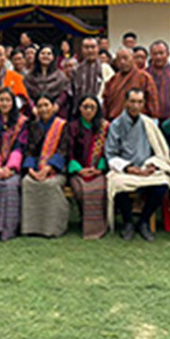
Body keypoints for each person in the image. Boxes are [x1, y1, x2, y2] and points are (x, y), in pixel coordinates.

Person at [104, 88, 170, 242]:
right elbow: (111, 153)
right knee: (117, 186)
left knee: (163, 184)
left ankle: (144, 221)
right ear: (126, 102)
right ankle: (127, 222)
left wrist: (153, 165)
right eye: (132, 101)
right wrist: (128, 168)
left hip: (146, 169)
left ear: (144, 104)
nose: (135, 106)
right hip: (125, 170)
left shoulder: (149, 123)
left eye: (139, 102)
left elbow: (159, 150)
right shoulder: (116, 124)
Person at [20, 93, 72, 237]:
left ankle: (52, 228)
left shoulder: (62, 125)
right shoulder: (33, 126)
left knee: (50, 184)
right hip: (37, 167)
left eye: (46, 105)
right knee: (27, 182)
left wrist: (49, 168)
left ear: (53, 107)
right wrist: (31, 169)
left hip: (56, 169)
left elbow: (63, 149)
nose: (43, 109)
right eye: (40, 106)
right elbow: (29, 149)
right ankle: (31, 228)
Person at [65, 95, 110, 239]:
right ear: (79, 108)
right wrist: (79, 169)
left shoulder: (104, 127)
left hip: (97, 170)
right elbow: (69, 151)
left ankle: (96, 228)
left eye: (92, 107)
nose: (89, 110)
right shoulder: (72, 127)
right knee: (80, 189)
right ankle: (85, 223)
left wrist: (100, 168)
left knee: (99, 188)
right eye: (85, 107)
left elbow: (107, 151)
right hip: (78, 171)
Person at [0, 88, 28, 241]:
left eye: (8, 100)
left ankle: (10, 229)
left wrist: (10, 168)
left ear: (13, 103)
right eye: (1, 100)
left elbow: (20, 147)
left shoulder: (22, 122)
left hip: (14, 168)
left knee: (10, 185)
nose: (4, 103)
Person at [102, 48, 161, 120]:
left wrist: (153, 117)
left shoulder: (144, 77)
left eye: (125, 58)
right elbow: (106, 102)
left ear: (133, 59)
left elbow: (152, 101)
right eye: (119, 60)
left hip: (138, 121)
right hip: (115, 122)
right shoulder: (113, 80)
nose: (122, 62)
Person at [24, 45, 70, 118]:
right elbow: (26, 94)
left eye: (49, 54)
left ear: (53, 57)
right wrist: (33, 107)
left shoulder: (60, 76)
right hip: (35, 113)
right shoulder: (29, 76)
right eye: (43, 53)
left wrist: (57, 104)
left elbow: (65, 92)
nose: (46, 56)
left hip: (56, 112)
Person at [69, 37, 108, 107]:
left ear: (98, 48)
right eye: (86, 47)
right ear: (81, 49)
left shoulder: (105, 68)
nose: (90, 50)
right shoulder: (77, 70)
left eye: (93, 47)